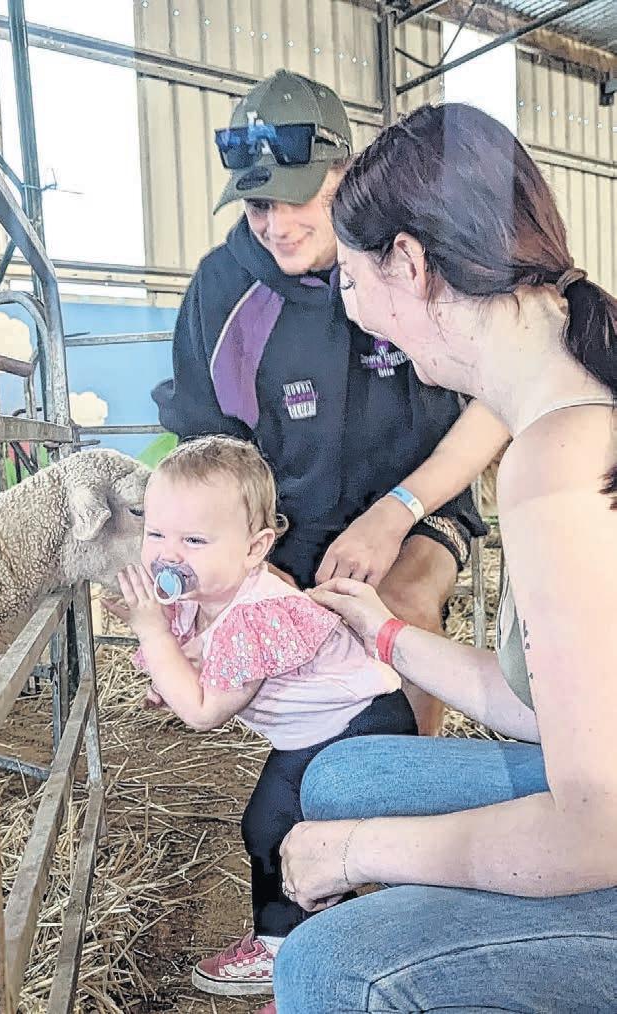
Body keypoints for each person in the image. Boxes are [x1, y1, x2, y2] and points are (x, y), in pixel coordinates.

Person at [270, 102, 617, 1013]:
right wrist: (382, 634)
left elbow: (597, 829)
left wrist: (357, 853)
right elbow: (541, 708)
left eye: (353, 278)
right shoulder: (569, 394)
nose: (353, 307)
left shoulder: (559, 459)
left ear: (411, 263)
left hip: (606, 826)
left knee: (327, 967)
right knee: (344, 777)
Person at [152, 69, 509, 737]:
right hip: (285, 520)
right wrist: (250, 565)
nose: (278, 226)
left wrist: (396, 512)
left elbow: (498, 399)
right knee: (265, 628)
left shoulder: (408, 262)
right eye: (259, 207)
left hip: (419, 503)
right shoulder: (222, 290)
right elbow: (206, 450)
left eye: (300, 201)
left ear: (345, 177)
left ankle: (408, 772)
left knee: (399, 607)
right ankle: (326, 769)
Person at [109, 435, 417, 999]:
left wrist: (152, 634)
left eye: (194, 539)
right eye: (156, 533)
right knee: (278, 827)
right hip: (323, 731)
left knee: (273, 829)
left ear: (255, 548)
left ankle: (284, 950)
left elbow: (203, 711)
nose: (169, 554)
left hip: (357, 729)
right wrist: (169, 671)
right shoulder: (211, 594)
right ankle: (326, 933)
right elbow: (197, 660)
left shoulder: (255, 614)